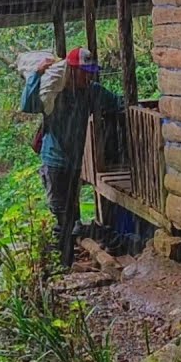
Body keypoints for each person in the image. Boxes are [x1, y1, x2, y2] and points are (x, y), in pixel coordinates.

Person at [20, 47, 123, 242]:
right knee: (62, 214)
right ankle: (63, 260)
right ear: (72, 71)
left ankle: (66, 259)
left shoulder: (91, 92)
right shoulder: (54, 93)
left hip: (74, 162)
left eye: (91, 73)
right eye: (86, 72)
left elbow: (115, 103)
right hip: (54, 161)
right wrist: (37, 74)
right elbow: (28, 106)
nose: (89, 77)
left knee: (72, 212)